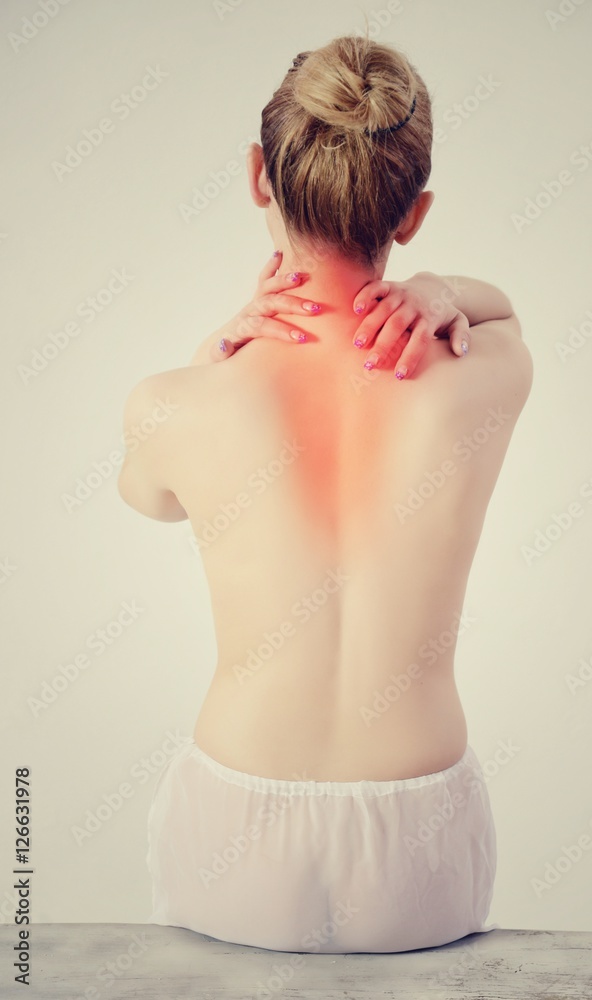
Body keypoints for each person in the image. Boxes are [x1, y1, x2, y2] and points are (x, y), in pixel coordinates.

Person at [118, 34, 533, 954]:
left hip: (237, 824)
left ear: (256, 176)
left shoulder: (174, 404)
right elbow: (506, 312)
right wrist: (442, 289)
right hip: (422, 839)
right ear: (412, 214)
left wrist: (215, 354)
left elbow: (149, 497)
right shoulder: (485, 372)